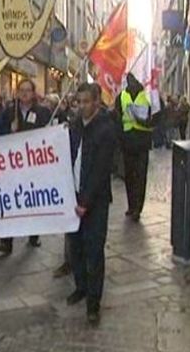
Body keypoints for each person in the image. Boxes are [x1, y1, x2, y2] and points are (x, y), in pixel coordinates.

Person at [67, 82, 116, 326]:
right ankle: (81, 287)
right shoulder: (74, 126)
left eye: (87, 102)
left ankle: (93, 304)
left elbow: (100, 170)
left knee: (94, 251)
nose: (82, 106)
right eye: (79, 102)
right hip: (72, 196)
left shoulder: (106, 129)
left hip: (94, 201)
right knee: (74, 248)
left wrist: (85, 201)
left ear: (96, 102)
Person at [0, 79, 51, 254]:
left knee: (32, 200)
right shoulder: (9, 112)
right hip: (12, 165)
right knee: (9, 201)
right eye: (22, 90)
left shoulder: (42, 112)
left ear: (33, 93)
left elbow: (48, 133)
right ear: (17, 93)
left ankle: (33, 235)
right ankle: (6, 241)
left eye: (28, 90)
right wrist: (9, 130)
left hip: (33, 165)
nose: (25, 93)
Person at [114, 73, 158, 222]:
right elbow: (117, 119)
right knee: (134, 177)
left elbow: (155, 116)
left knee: (135, 177)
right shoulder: (123, 97)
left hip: (137, 143)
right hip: (132, 143)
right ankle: (133, 207)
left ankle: (136, 207)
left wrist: (146, 121)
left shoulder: (146, 95)